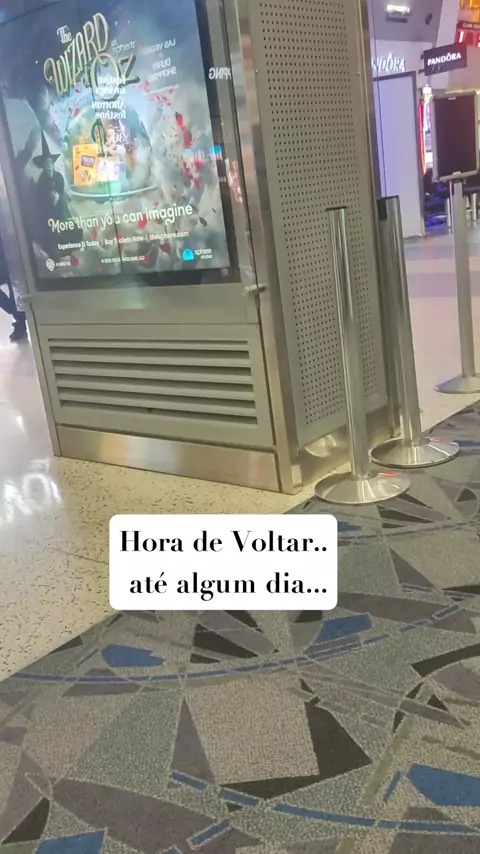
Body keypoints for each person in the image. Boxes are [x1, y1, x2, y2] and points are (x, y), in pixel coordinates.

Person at [0, 233, 27, 342]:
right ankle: (17, 312)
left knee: (14, 288)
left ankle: (20, 322)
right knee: (14, 290)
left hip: (9, 257)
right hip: (6, 258)